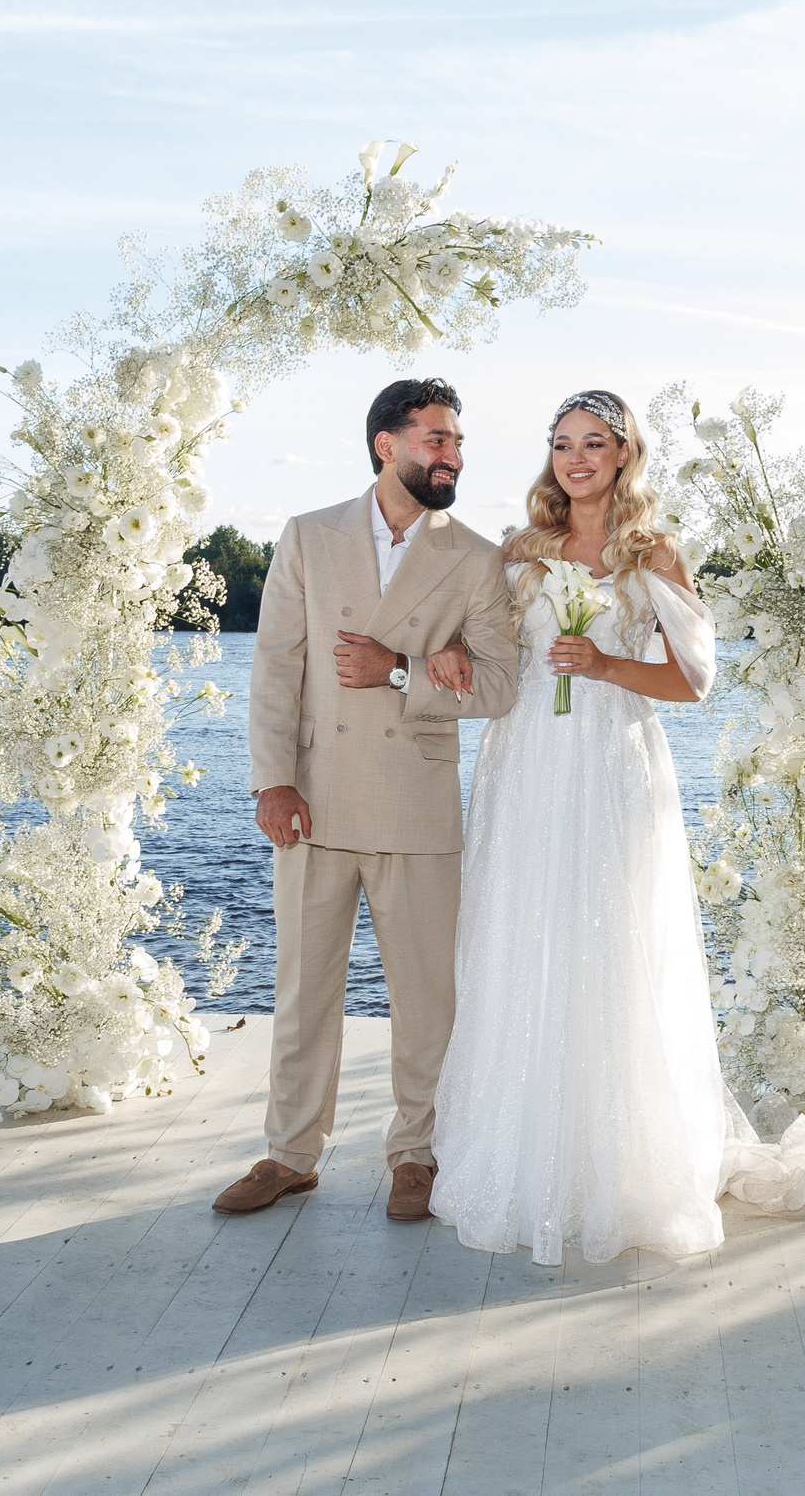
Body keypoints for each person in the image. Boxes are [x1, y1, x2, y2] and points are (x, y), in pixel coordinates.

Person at [427, 389, 805, 1265]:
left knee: (612, 944)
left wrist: (605, 661)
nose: (575, 459)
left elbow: (693, 680)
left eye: (593, 443)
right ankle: (525, 1151)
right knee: (525, 938)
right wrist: (443, 659)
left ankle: (622, 1165)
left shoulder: (650, 551)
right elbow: (492, 657)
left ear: (625, 454)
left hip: (613, 763)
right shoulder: (522, 551)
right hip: (527, 765)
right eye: (560, 444)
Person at [214, 378, 520, 1222]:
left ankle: (417, 1152)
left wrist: (402, 669)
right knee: (303, 989)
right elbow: (276, 667)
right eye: (435, 439)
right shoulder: (309, 538)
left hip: (417, 801)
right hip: (313, 797)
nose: (451, 455)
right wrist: (272, 779)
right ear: (386, 445)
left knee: (428, 997)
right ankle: (290, 1153)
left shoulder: (477, 557)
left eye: (457, 442)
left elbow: (500, 686)